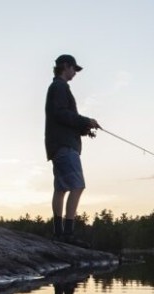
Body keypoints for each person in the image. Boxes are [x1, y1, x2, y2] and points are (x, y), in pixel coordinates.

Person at [45, 54, 100, 245]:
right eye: (73, 69)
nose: (75, 73)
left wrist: (84, 129)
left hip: (57, 144)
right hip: (65, 146)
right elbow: (61, 114)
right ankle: (68, 233)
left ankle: (58, 232)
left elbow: (62, 118)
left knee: (61, 188)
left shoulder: (56, 87)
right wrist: (86, 121)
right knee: (77, 186)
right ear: (65, 66)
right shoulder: (60, 87)